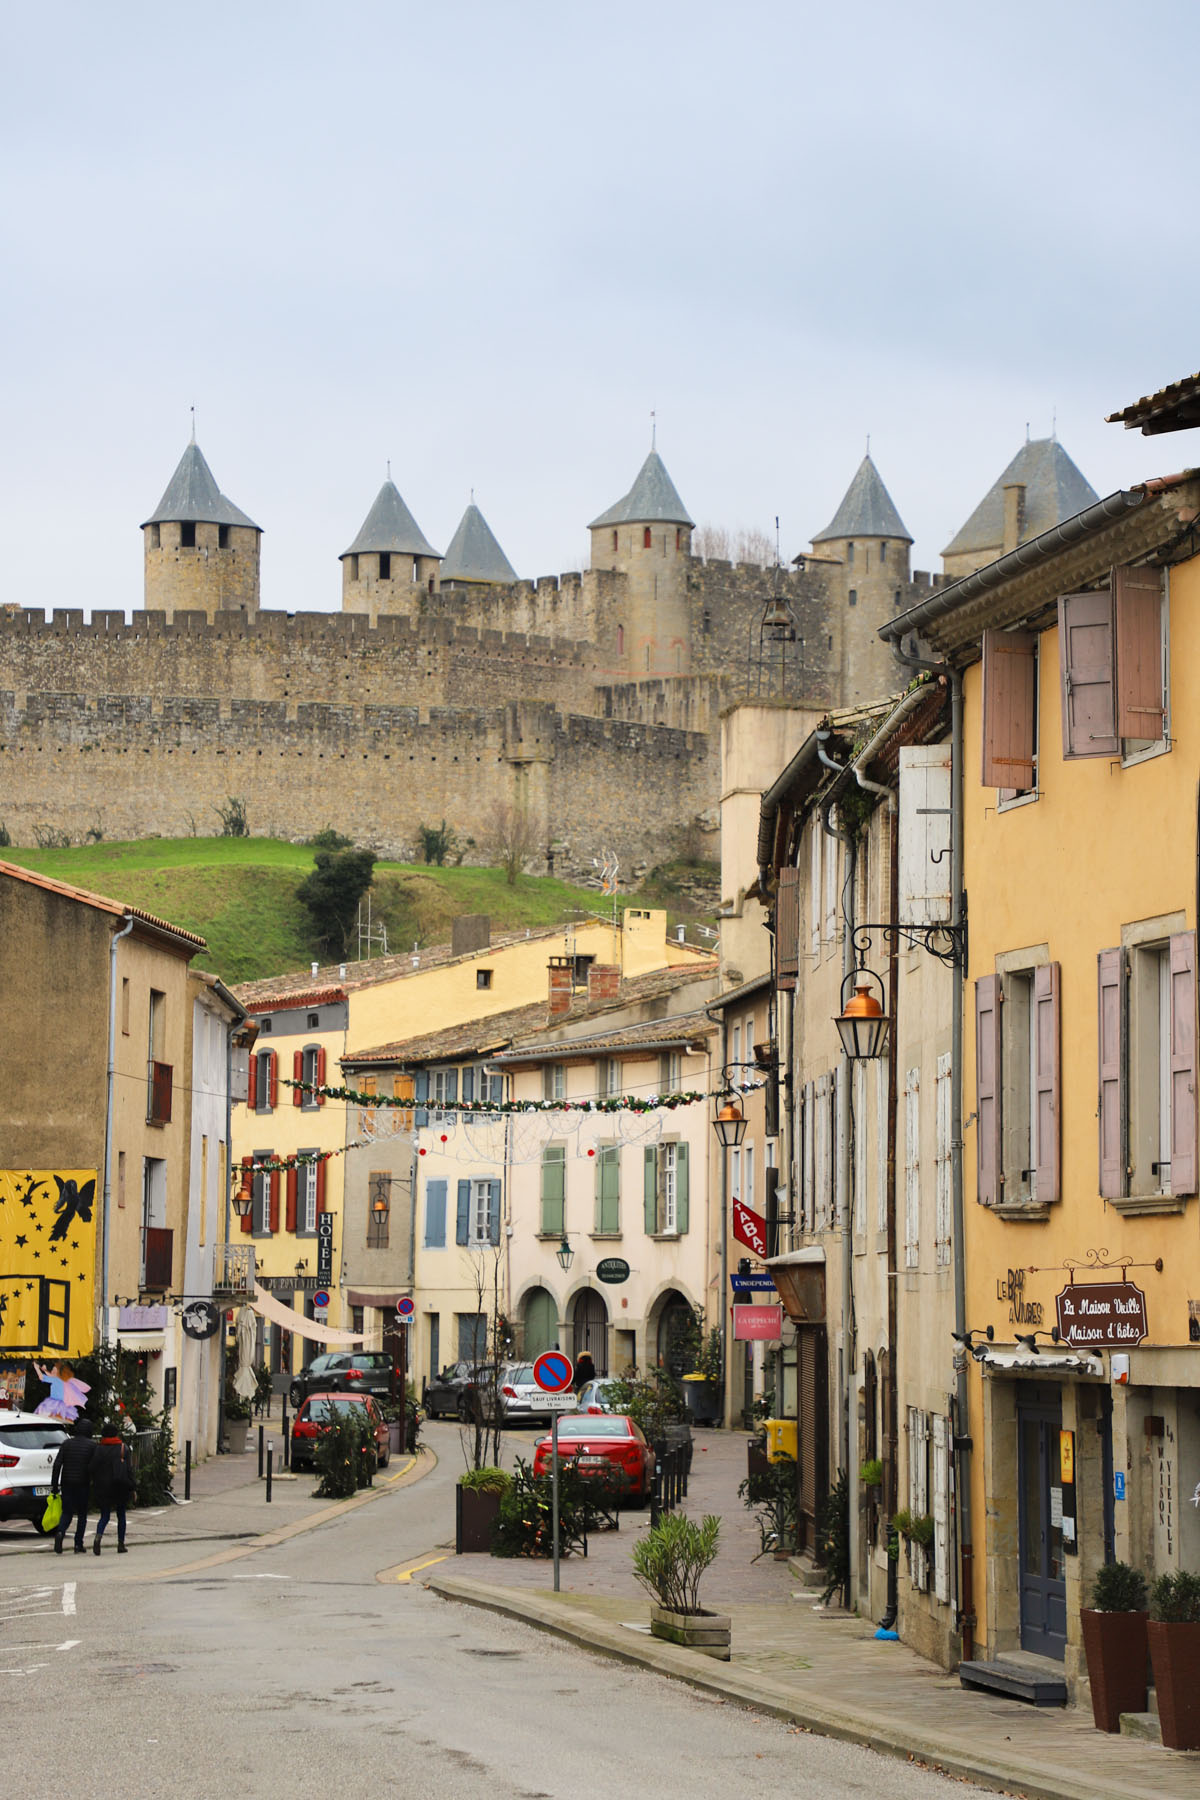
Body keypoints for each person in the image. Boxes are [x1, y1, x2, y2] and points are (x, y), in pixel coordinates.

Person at [50, 1418, 98, 1554]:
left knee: (67, 1512)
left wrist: (54, 1485)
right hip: (83, 1483)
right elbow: (94, 1466)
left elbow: (57, 1464)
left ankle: (60, 1532)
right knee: (82, 1514)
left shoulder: (66, 1444)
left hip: (67, 1483)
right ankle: (78, 1544)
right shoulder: (92, 1446)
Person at [92, 1422, 135, 1555]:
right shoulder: (123, 1448)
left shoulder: (98, 1449)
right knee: (121, 1515)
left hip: (103, 1487)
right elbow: (129, 1470)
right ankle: (121, 1544)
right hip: (120, 1485)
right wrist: (133, 1487)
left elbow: (92, 1467)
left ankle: (98, 1537)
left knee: (104, 1515)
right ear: (116, 1433)